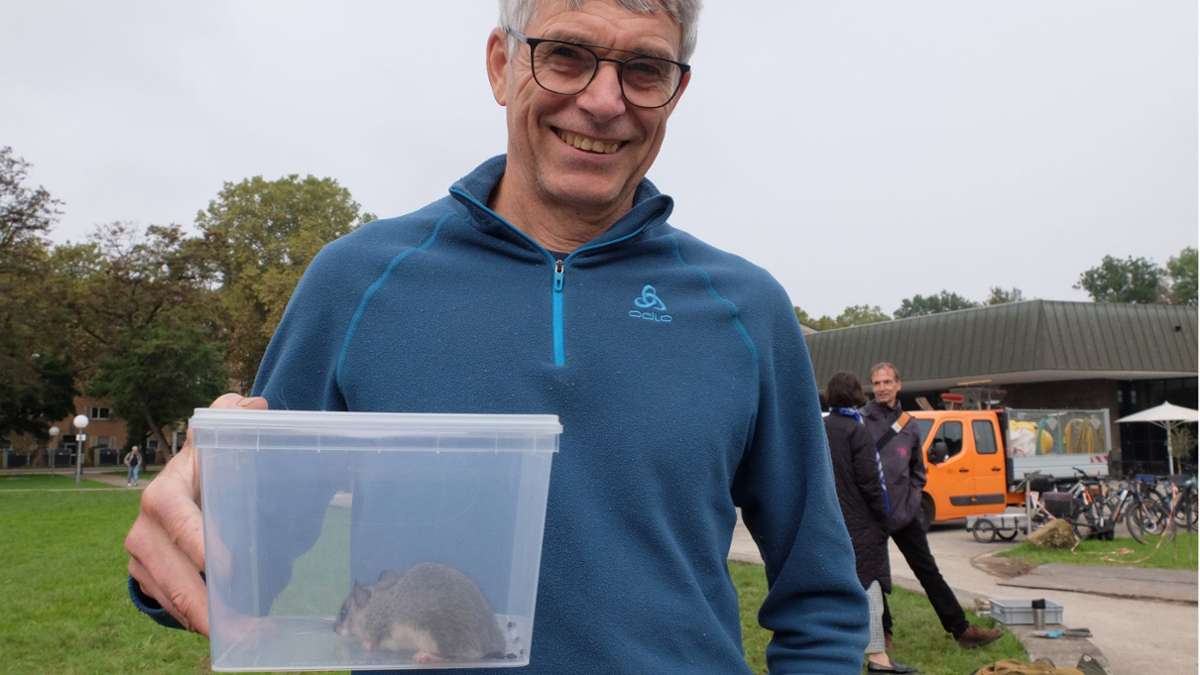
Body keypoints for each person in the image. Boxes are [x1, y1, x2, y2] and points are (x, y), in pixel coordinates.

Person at [122, 1, 870, 672]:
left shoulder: (746, 310)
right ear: (501, 63)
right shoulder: (357, 284)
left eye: (644, 68)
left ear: (677, 90)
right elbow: (240, 560)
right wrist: (192, 521)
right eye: (567, 54)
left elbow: (820, 599)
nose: (603, 101)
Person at [864, 362, 1001, 649]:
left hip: (905, 513)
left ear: (898, 385)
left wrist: (913, 501)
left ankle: (962, 630)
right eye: (876, 383)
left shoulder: (910, 425)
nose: (882, 388)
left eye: (887, 382)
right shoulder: (862, 421)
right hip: (871, 513)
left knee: (928, 572)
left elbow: (918, 471)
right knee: (873, 576)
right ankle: (883, 634)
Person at [824, 372, 919, 674]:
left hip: (830, 519)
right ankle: (878, 658)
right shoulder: (856, 429)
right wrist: (883, 517)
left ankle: (834, 651)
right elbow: (870, 481)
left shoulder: (821, 428)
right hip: (861, 522)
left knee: (835, 587)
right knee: (870, 587)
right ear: (855, 395)